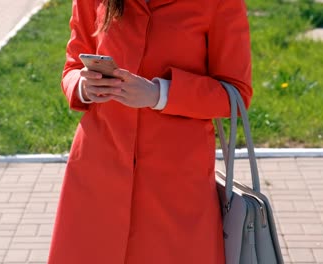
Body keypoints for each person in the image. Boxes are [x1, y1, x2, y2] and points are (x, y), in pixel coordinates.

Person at [48, 0, 252, 263]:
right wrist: (82, 86)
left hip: (176, 187)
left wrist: (159, 94)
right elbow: (73, 66)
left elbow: (235, 93)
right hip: (97, 173)